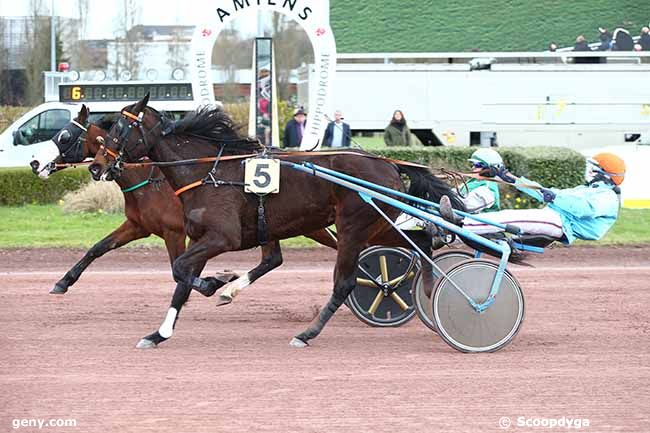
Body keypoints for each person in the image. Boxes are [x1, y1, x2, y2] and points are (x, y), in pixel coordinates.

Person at [438, 152, 625, 245]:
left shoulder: (607, 197)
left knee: (507, 218)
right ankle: (453, 227)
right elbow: (542, 191)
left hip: (562, 225)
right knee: (506, 215)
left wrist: (554, 197)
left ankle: (458, 224)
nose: (588, 171)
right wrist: (509, 177)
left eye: (592, 169)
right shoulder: (583, 189)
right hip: (553, 216)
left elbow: (584, 210)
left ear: (604, 175)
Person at [461, 148, 502, 213]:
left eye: (478, 165)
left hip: (477, 221)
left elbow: (467, 207)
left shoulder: (487, 188)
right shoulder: (473, 181)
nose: (473, 167)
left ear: (490, 168)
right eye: (473, 164)